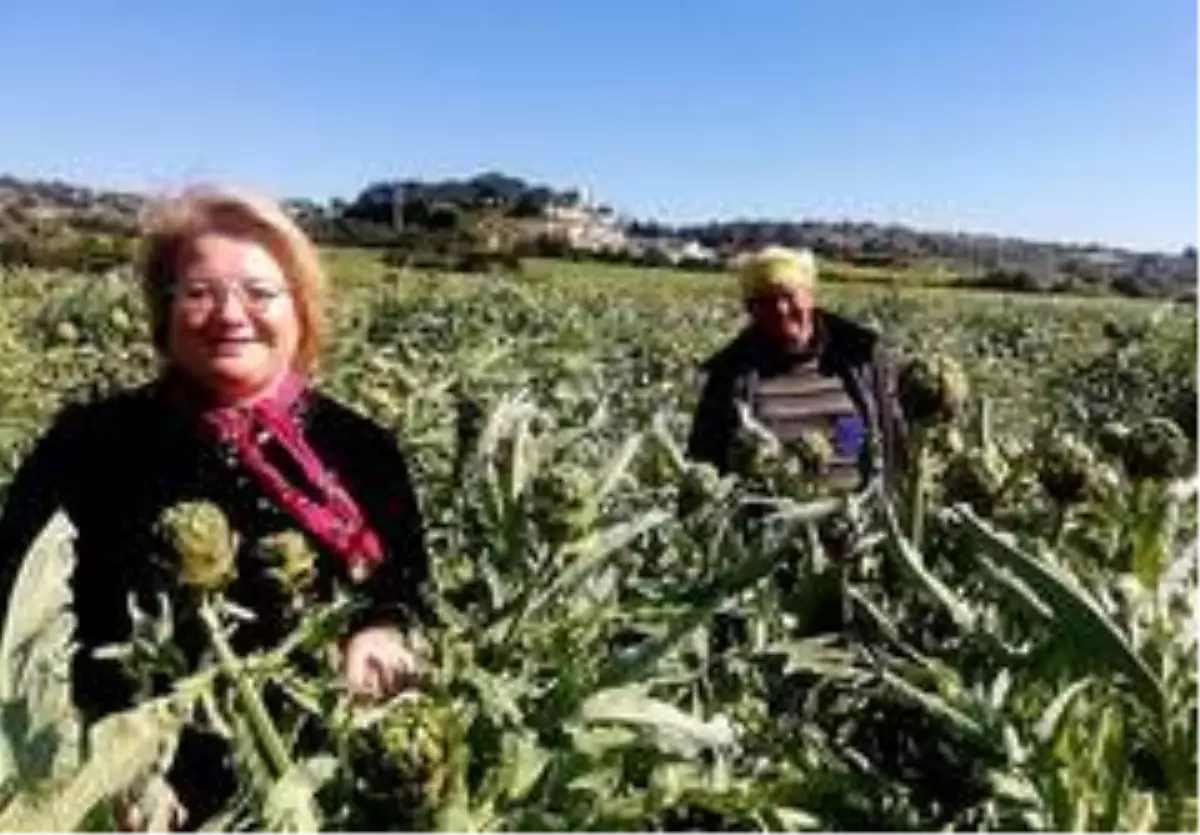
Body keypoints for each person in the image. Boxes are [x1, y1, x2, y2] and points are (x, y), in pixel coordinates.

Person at [0, 184, 430, 830]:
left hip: (319, 784)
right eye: (199, 292)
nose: (231, 314)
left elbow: (407, 583)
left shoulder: (362, 448)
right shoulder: (88, 441)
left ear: (301, 309)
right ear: (163, 311)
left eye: (260, 293)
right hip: (130, 788)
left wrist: (382, 628)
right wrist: (110, 768)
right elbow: (18, 606)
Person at [687, 245, 904, 490]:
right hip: (772, 522)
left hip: (862, 519)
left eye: (789, 295)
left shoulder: (859, 359)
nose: (780, 309)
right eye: (765, 301)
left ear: (810, 296)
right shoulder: (731, 374)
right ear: (751, 311)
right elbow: (705, 458)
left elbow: (890, 441)